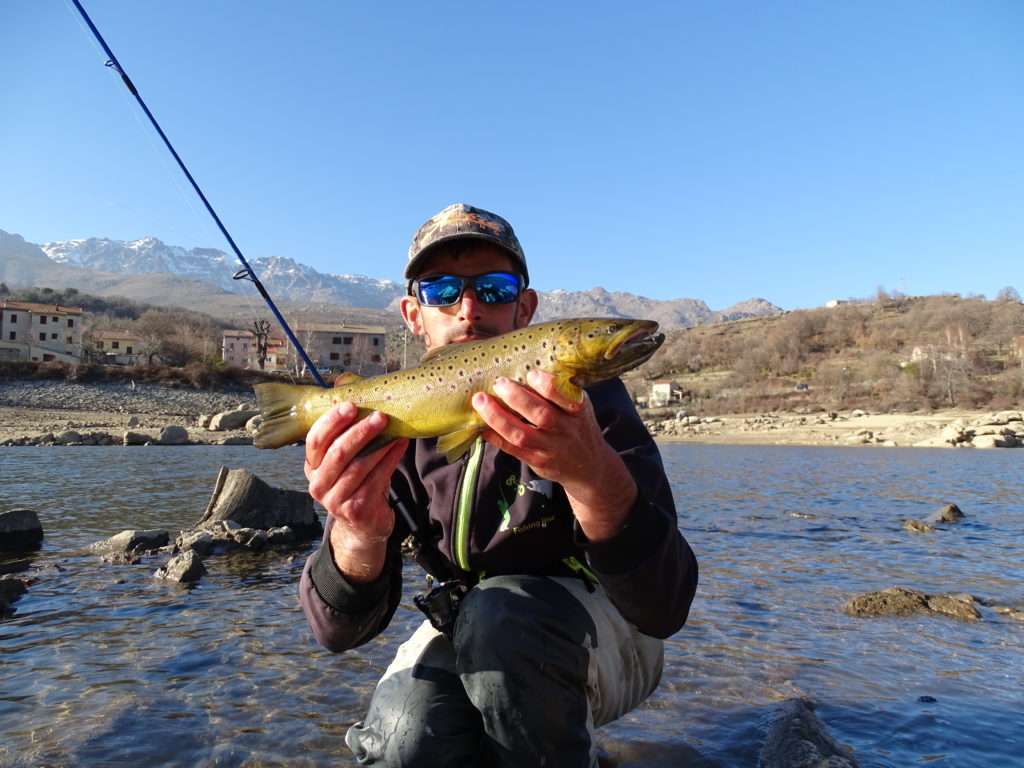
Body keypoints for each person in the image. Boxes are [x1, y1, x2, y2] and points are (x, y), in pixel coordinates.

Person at [299, 203, 699, 767]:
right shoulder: (395, 424)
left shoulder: (593, 404)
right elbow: (338, 632)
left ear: (526, 308)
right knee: (406, 737)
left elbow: (666, 605)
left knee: (502, 621)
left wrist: (593, 477)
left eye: (493, 287)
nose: (468, 309)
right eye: (442, 291)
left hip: (607, 632)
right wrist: (357, 536)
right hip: (469, 625)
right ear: (414, 314)